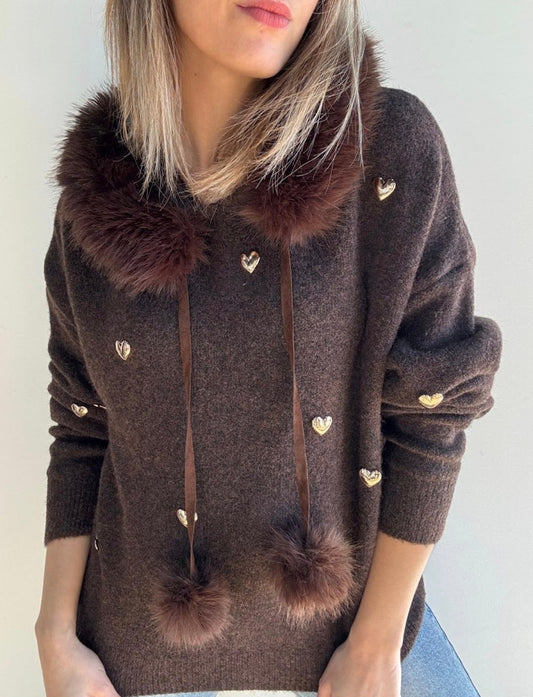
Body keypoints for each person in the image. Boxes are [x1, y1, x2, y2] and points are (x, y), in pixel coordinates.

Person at [34, 2, 503, 697]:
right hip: (136, 662)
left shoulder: (384, 148)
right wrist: (54, 633)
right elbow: (82, 423)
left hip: (359, 657)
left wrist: (376, 643)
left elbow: (434, 407)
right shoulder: (97, 201)